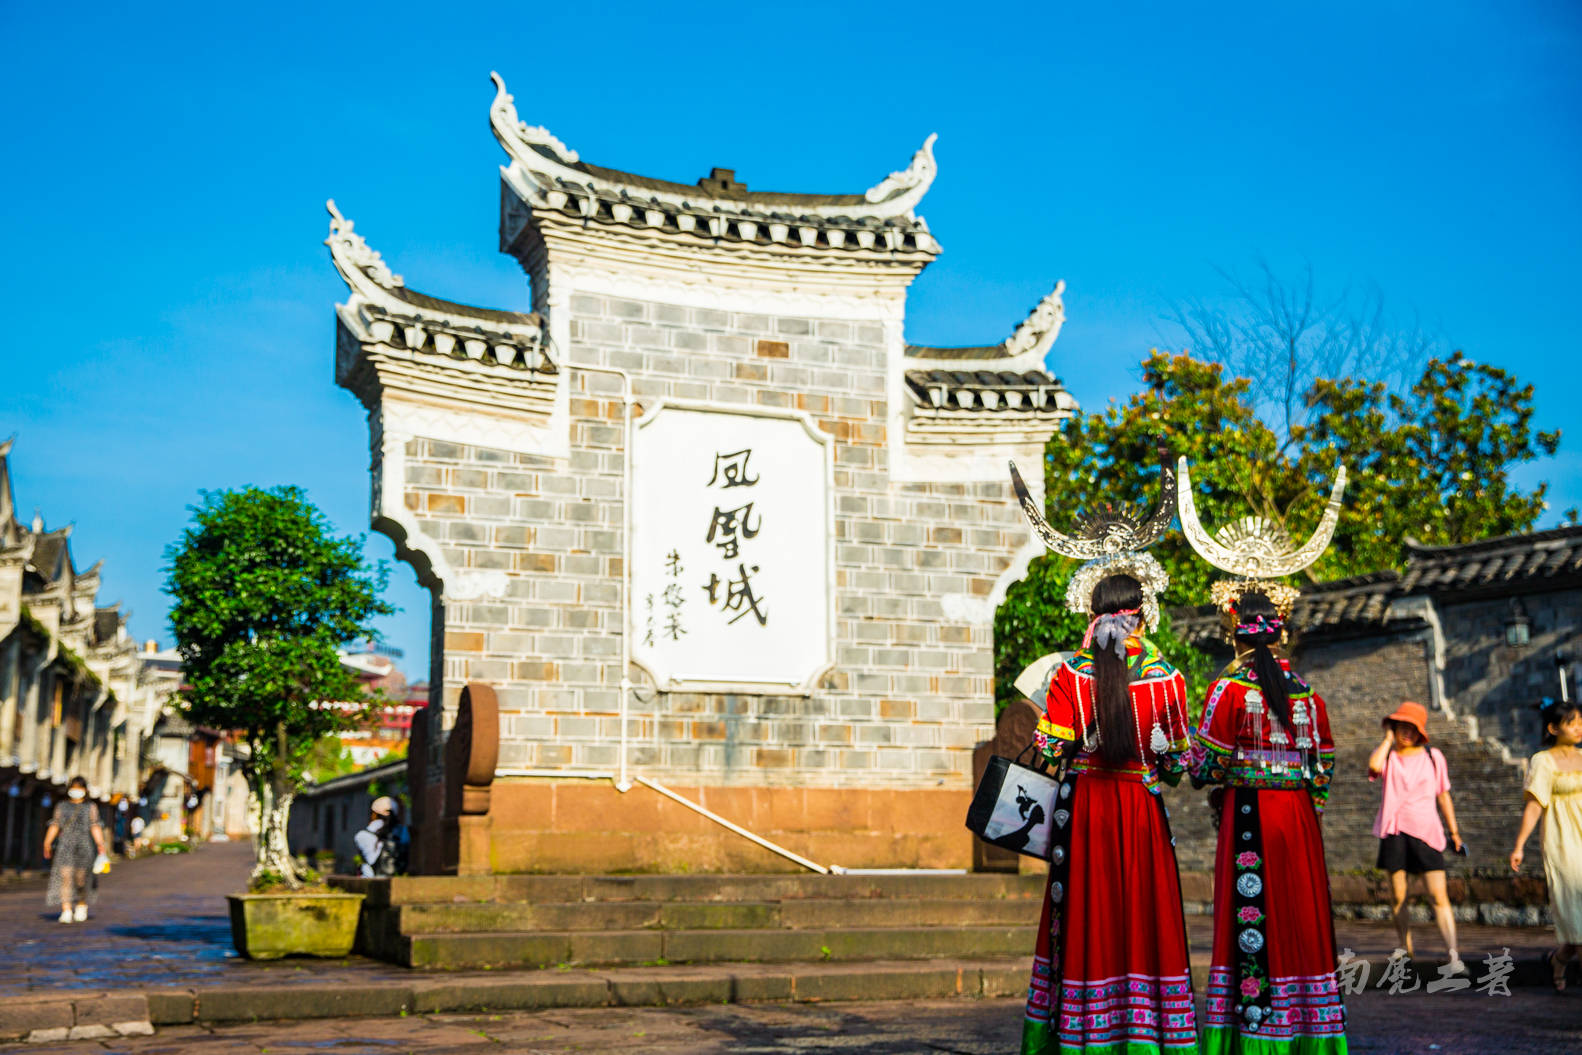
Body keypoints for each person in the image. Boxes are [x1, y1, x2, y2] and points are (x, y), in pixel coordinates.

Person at [1006, 457, 1195, 1055]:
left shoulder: (1070, 676)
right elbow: (1179, 768)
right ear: (1143, 610)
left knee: (1088, 916)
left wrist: (1054, 735)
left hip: (1086, 812)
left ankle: (1084, 1032)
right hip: (1139, 809)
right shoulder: (1166, 679)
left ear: (1092, 612)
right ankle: (1147, 1031)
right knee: (1143, 918)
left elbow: (1047, 749)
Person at [1190, 591, 1348, 1054]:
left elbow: (1206, 767)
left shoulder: (1230, 689)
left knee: (1253, 919)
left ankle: (1254, 1032)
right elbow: (1324, 767)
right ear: (1281, 634)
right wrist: (1308, 812)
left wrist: (1195, 769)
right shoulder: (1309, 695)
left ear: (1233, 633)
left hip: (1249, 818)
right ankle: (1311, 1032)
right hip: (1297, 819)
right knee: (1299, 918)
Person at [1367, 701, 1465, 973]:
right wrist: (1387, 738)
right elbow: (1373, 765)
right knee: (1398, 896)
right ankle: (1404, 948)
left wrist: (1454, 832)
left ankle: (1453, 956)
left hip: (1427, 832)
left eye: (1412, 728)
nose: (1406, 733)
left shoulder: (1433, 757)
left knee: (1438, 896)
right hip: (1394, 830)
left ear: (1420, 731)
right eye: (1401, 727)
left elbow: (1443, 795)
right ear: (1394, 727)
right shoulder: (1388, 756)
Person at [1510, 699, 1582, 992]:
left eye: (1580, 722)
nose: (1578, 728)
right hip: (1563, 842)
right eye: (1571, 723)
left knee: (1576, 932)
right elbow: (1534, 806)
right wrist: (1519, 845)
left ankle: (1558, 960)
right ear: (1553, 728)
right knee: (1575, 912)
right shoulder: (1543, 761)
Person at [42, 777, 107, 924]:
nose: (76, 791)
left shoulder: (90, 807)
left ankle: (81, 905)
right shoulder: (62, 806)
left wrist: (100, 844)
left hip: (84, 846)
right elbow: (55, 824)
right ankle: (66, 910)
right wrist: (47, 842)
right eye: (74, 788)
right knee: (65, 877)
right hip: (65, 846)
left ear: (85, 790)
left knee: (81, 879)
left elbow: (95, 825)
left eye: (79, 788)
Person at [354, 796, 408, 878]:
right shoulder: (403, 831)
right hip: (398, 877)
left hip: (371, 877)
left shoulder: (362, 835)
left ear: (374, 814)